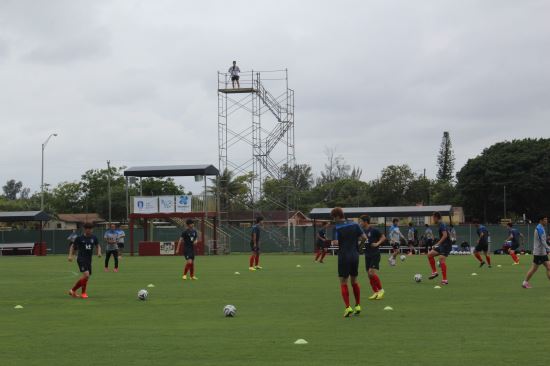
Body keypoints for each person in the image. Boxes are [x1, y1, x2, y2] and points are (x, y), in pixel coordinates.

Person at [331, 207, 366, 317]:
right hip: (355, 256)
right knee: (354, 281)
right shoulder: (354, 224)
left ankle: (348, 307)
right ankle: (358, 305)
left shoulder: (337, 227)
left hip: (343, 256)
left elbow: (336, 242)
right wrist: (359, 248)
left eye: (333, 217)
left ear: (337, 216)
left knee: (343, 282)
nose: (333, 220)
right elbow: (364, 238)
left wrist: (334, 242)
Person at [68, 222, 101, 299]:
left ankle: (72, 290)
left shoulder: (94, 238)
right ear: (84, 229)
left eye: (90, 229)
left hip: (89, 260)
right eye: (87, 229)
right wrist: (70, 256)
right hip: (81, 258)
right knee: (86, 275)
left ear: (92, 229)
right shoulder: (79, 238)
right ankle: (83, 293)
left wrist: (99, 252)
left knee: (86, 277)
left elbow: (98, 245)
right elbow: (72, 246)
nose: (89, 230)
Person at [360, 215, 386, 300]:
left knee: (371, 273)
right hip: (367, 255)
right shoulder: (363, 231)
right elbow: (364, 241)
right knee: (369, 275)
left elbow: (383, 237)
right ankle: (376, 292)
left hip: (375, 254)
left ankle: (381, 290)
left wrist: (377, 243)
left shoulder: (374, 230)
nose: (360, 223)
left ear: (365, 222)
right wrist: (360, 247)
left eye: (361, 221)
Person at [522, 216, 550, 289]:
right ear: (541, 221)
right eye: (545, 220)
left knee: (548, 267)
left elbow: (543, 239)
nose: (546, 221)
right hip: (539, 253)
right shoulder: (539, 228)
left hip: (542, 252)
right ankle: (525, 283)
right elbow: (542, 241)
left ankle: (525, 283)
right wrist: (548, 248)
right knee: (534, 268)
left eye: (547, 219)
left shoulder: (541, 228)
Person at [427, 212, 451, 285]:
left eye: (433, 218)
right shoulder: (441, 224)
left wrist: (437, 243)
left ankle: (445, 280)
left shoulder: (442, 224)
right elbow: (447, 234)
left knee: (441, 260)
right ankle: (434, 272)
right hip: (442, 245)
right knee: (430, 255)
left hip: (446, 245)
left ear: (437, 217)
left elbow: (445, 235)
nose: (433, 219)